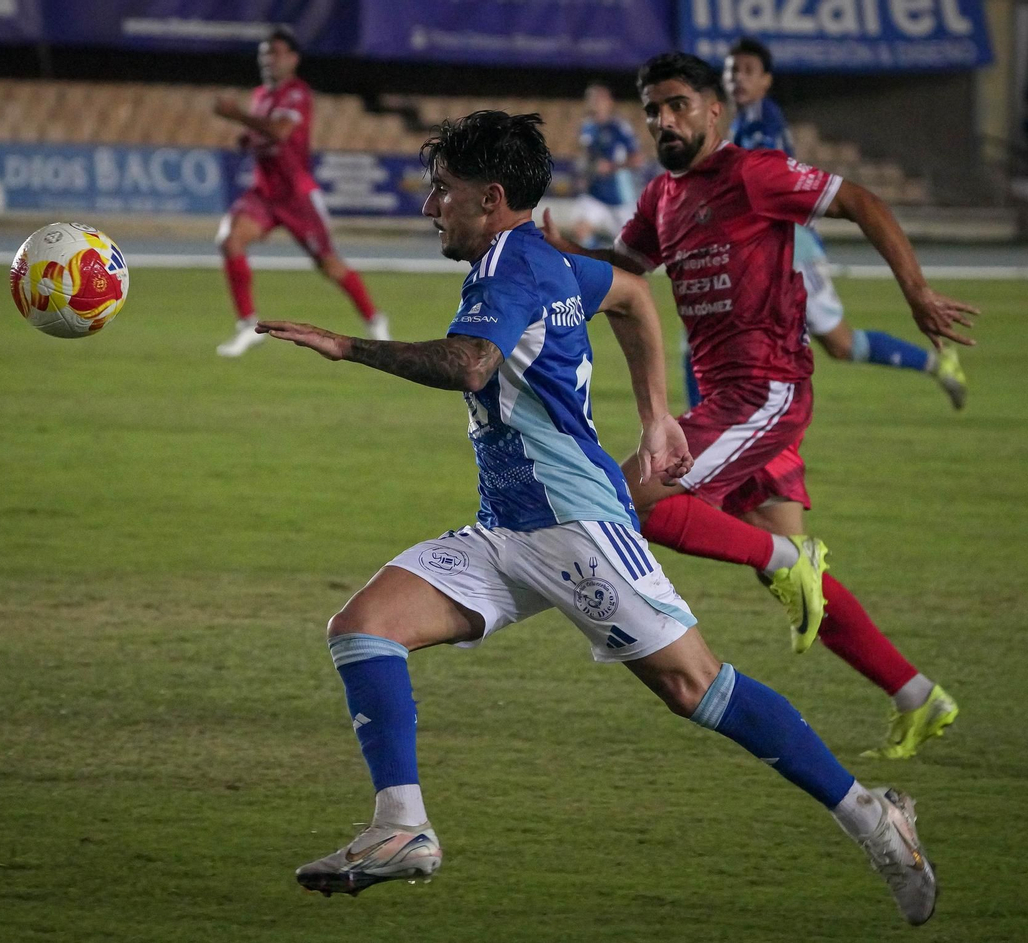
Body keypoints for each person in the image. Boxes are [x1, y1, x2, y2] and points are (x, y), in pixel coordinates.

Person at [258, 110, 939, 924]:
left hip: (577, 526)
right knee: (363, 627)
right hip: (509, 527)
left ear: (492, 197)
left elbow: (471, 364)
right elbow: (631, 295)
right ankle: (402, 827)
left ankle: (871, 814)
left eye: (444, 191)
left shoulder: (514, 268)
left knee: (697, 686)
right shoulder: (547, 259)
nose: (430, 207)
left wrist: (351, 347)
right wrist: (656, 413)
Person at [543, 53, 973, 759]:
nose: (664, 120)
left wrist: (917, 293)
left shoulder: (754, 174)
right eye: (653, 109)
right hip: (730, 400)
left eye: (679, 105)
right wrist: (564, 250)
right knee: (808, 590)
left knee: (635, 496)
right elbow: (625, 274)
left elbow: (862, 200)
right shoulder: (660, 199)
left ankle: (782, 555)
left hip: (766, 390)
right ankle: (917, 694)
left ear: (715, 110)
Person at [716, 38, 966, 411]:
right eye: (733, 70)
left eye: (748, 71)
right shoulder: (742, 122)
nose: (738, 78)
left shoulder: (763, 122)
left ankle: (936, 362)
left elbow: (758, 188)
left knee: (840, 343)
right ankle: (717, 424)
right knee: (722, 331)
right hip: (765, 246)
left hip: (790, 245)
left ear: (767, 80)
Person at [212, 26, 388, 357]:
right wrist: (247, 138)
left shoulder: (297, 93)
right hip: (264, 193)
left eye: (276, 53)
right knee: (230, 240)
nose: (269, 59)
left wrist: (236, 115)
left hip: (297, 196)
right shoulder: (261, 95)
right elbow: (265, 134)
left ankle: (374, 318)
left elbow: (280, 131)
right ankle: (247, 326)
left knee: (330, 266)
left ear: (293, 59)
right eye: (265, 53)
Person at [570, 83, 644, 248]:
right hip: (595, 194)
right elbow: (586, 157)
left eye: (598, 99)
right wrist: (584, 174)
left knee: (630, 250)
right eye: (591, 99)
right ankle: (597, 263)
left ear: (609, 102)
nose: (594, 103)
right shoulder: (587, 128)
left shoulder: (619, 127)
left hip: (621, 197)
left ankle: (609, 259)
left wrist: (612, 167)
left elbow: (637, 159)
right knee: (581, 230)